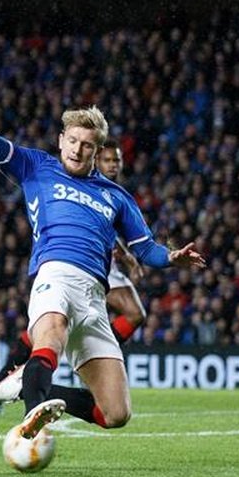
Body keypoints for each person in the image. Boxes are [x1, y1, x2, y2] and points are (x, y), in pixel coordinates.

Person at [0, 67, 205, 442]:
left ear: (98, 151)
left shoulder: (116, 196)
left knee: (115, 413)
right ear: (61, 140)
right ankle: (29, 427)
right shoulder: (35, 166)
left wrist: (171, 257)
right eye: (73, 141)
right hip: (55, 275)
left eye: (88, 146)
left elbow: (145, 249)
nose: (78, 150)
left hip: (95, 297)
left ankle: (23, 387)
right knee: (51, 333)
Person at [95, 140, 147, 345]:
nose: (112, 165)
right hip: (86, 259)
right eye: (107, 160)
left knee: (135, 313)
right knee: (55, 325)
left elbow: (112, 232)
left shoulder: (117, 193)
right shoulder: (91, 185)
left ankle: (100, 353)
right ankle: (4, 375)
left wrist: (129, 260)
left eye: (116, 160)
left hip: (108, 263)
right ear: (96, 161)